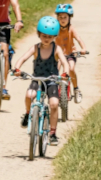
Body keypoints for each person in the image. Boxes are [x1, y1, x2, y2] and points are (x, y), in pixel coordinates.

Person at [13, 16, 70, 146]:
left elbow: (64, 62)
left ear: (54, 37)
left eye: (50, 37)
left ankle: (53, 133)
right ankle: (28, 114)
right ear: (39, 34)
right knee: (29, 95)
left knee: (54, 104)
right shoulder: (35, 48)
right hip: (37, 79)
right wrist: (17, 68)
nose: (46, 39)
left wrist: (65, 73)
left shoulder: (56, 49)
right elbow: (22, 58)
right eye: (44, 36)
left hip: (51, 80)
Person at [54, 3, 88, 102]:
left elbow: (79, 39)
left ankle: (76, 89)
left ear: (70, 18)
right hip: (59, 55)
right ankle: (54, 90)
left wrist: (83, 48)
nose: (63, 19)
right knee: (56, 70)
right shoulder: (55, 28)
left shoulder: (71, 28)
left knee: (71, 69)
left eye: (65, 17)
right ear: (57, 18)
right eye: (60, 17)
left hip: (70, 54)